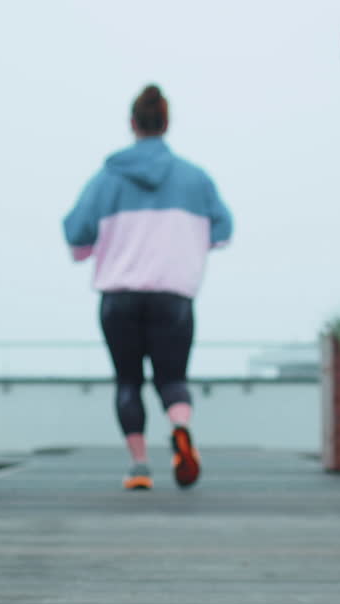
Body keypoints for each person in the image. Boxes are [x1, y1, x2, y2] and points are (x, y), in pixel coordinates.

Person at [62, 84, 233, 491]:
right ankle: (179, 428)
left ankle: (139, 466)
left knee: (128, 382)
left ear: (132, 123)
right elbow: (223, 232)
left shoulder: (106, 180)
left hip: (119, 296)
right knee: (172, 379)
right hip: (173, 295)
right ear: (166, 123)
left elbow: (76, 234)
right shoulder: (196, 178)